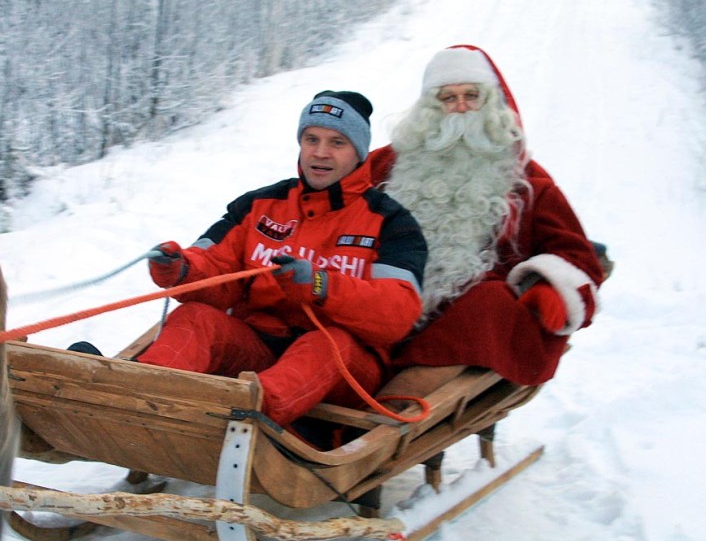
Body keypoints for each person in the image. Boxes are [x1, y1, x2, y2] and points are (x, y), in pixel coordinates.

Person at [130, 90, 428, 428]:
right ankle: (136, 395)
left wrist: (321, 285)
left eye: (337, 142)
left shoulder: (391, 222)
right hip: (259, 346)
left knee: (327, 343)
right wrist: (181, 269)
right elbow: (214, 268)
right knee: (196, 316)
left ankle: (245, 415)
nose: (320, 152)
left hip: (344, 367)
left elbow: (397, 314)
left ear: (359, 153)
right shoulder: (260, 205)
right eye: (311, 139)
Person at [368, 45, 603, 386]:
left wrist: (547, 285)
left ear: (491, 102)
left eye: (471, 95)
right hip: (384, 302)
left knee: (490, 304)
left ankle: (391, 411)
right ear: (429, 109)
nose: (461, 107)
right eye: (448, 98)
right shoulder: (386, 165)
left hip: (464, 317)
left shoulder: (527, 182)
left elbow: (576, 254)